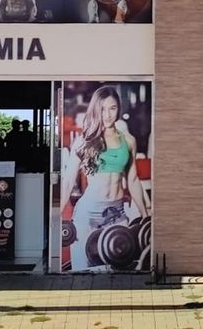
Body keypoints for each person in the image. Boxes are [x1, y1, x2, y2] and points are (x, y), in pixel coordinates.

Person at [61, 85, 150, 271]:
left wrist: (144, 214)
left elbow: (133, 180)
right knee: (82, 270)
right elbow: (68, 182)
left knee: (119, 270)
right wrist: (58, 215)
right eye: (102, 109)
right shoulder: (84, 140)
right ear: (95, 110)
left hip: (117, 213)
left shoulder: (128, 140)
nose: (108, 115)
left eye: (112, 108)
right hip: (89, 213)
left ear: (118, 109)